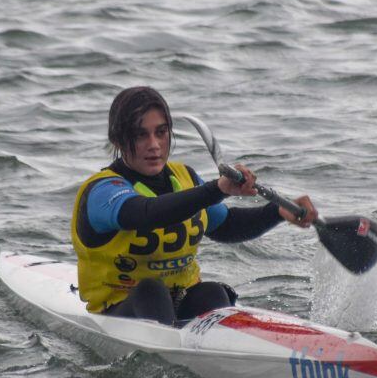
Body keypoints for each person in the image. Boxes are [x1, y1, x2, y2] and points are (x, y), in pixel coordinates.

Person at [71, 86, 318, 325]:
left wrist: (277, 212)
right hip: (120, 312)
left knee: (212, 294)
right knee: (151, 291)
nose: (154, 145)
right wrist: (217, 189)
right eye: (140, 135)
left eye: (161, 132)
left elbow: (226, 226)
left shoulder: (184, 178)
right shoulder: (103, 191)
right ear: (117, 139)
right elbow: (146, 214)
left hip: (177, 302)